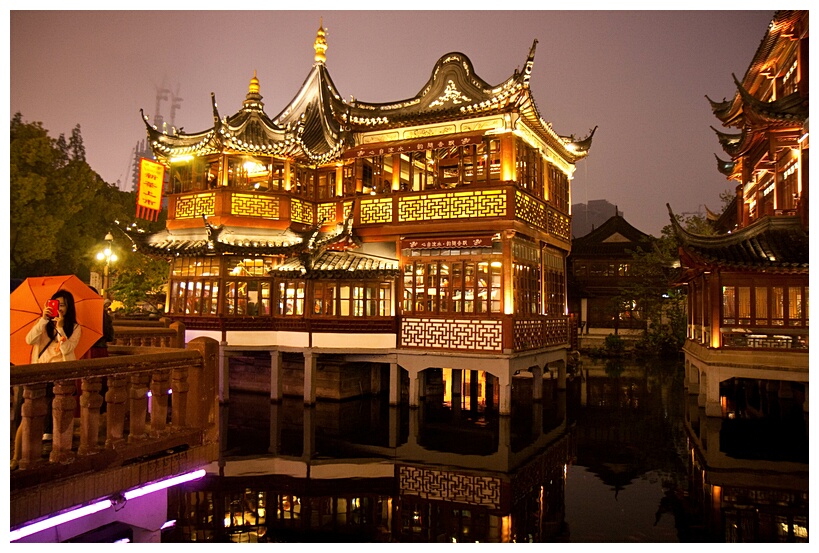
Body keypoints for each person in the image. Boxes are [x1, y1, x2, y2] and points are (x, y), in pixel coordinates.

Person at [11, 290, 81, 469]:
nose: (59, 308)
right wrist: (44, 319)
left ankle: (54, 453)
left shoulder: (74, 328)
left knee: (57, 414)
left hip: (59, 376)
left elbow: (67, 350)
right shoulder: (42, 324)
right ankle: (17, 457)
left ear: (69, 307)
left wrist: (60, 327)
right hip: (39, 374)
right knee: (28, 417)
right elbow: (29, 340)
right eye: (55, 303)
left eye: (63, 304)